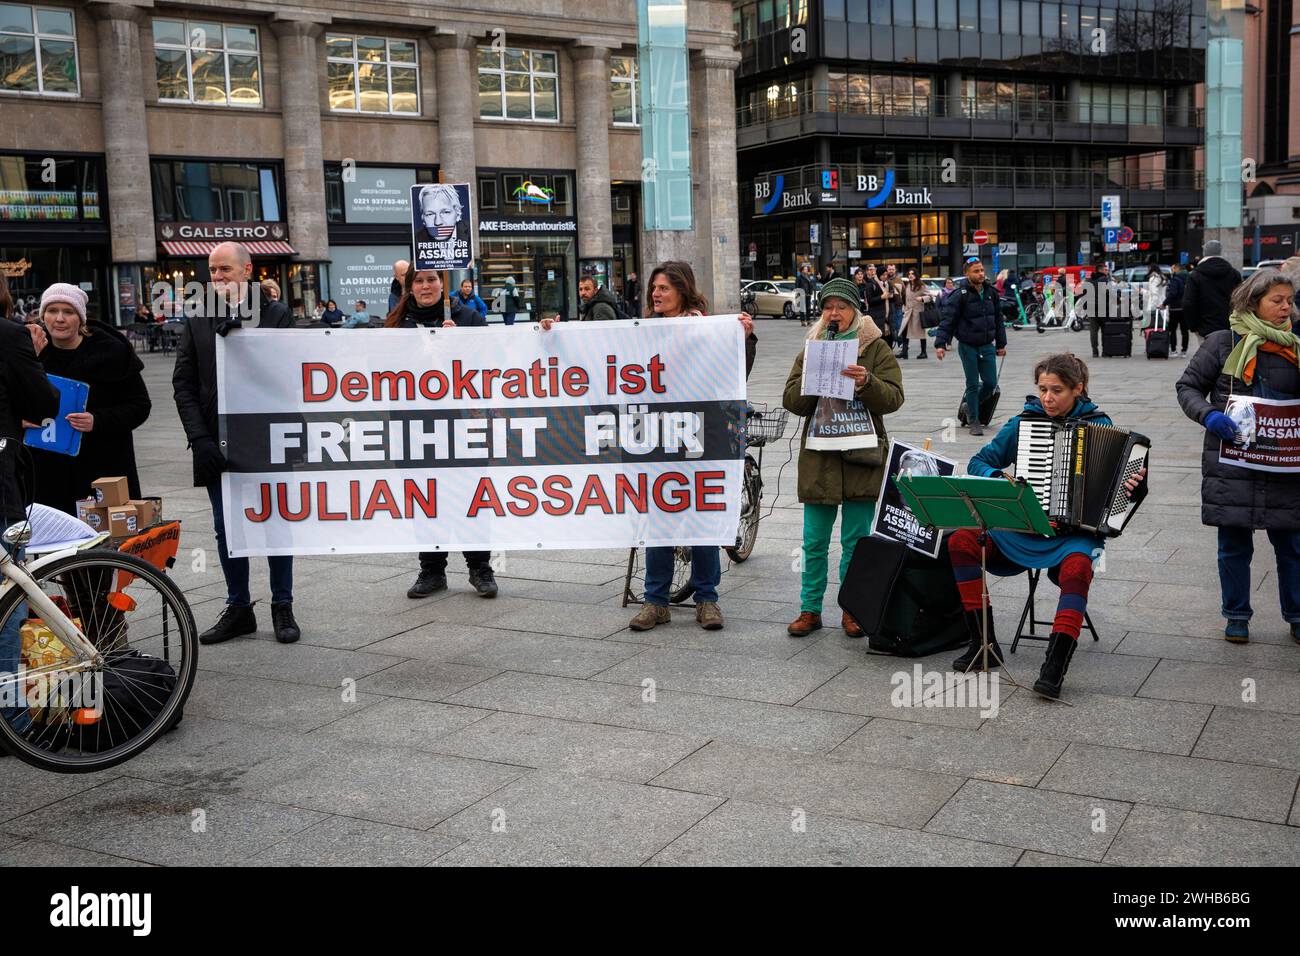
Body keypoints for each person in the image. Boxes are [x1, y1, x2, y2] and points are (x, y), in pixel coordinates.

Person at [543, 262, 755, 631]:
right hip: (654, 436)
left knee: (700, 518)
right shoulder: (642, 331)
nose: (656, 294)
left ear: (683, 291)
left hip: (701, 436)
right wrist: (557, 333)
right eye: (654, 288)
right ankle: (655, 601)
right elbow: (598, 357)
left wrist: (745, 338)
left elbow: (735, 372)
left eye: (664, 288)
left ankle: (707, 599)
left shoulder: (706, 329)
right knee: (657, 517)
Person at [950, 353, 1146, 698]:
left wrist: (1135, 484)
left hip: (1073, 535)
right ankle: (984, 644)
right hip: (1021, 529)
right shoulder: (1024, 423)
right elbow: (979, 461)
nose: (1047, 398)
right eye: (1042, 389)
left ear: (1078, 389)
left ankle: (1055, 664)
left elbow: (1125, 488)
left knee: (1078, 566)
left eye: (1056, 390)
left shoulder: (1100, 424)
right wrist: (998, 478)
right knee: (961, 541)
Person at [173, 241, 300, 646]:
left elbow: (290, 377)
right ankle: (239, 607)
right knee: (226, 527)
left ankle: (283, 604)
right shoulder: (198, 316)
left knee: (276, 521)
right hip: (216, 440)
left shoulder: (277, 314)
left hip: (266, 438)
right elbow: (183, 384)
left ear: (248, 271)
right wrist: (200, 439)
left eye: (225, 269)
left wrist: (247, 339)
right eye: (212, 270)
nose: (217, 277)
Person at [1175, 268, 1300, 644]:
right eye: (1276, 301)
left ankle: (1296, 615)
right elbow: (1188, 387)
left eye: (1289, 301)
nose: (1285, 308)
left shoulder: (1295, 346)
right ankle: (1236, 615)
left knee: (1292, 545)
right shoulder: (1222, 343)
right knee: (1233, 545)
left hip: (1284, 463)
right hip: (1232, 464)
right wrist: (1209, 415)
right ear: (1253, 302)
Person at [781, 277, 904, 637]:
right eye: (828, 307)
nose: (835, 313)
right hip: (820, 455)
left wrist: (867, 383)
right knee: (814, 540)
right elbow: (792, 400)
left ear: (855, 310)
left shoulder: (874, 348)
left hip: (861, 453)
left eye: (842, 306)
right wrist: (811, 382)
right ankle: (809, 609)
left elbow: (894, 397)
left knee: (855, 541)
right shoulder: (813, 346)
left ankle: (852, 609)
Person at [385, 269, 498, 600]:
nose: (425, 286)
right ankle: (432, 570)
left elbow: (494, 362)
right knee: (425, 499)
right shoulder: (397, 323)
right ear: (410, 288)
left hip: (463, 422)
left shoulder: (468, 318)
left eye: (431, 280)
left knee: (470, 496)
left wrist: (459, 345)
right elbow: (381, 369)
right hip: (414, 425)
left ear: (443, 284)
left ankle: (480, 568)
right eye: (418, 281)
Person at [26, 284, 151, 514]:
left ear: (81, 319)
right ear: (43, 316)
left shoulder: (111, 353)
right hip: (49, 476)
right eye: (52, 311)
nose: (60, 318)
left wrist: (98, 420)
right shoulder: (31, 354)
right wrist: (21, 419)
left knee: (106, 546)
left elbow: (140, 406)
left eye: (68, 312)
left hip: (103, 470)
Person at [0, 287, 59, 736]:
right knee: (8, 599)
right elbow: (43, 403)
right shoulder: (10, 335)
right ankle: (12, 721)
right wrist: (32, 354)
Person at [934, 257, 1006, 436]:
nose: (981, 274)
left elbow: (998, 319)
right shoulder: (959, 295)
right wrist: (941, 344)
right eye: (976, 271)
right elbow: (948, 320)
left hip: (987, 345)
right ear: (967, 273)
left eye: (982, 270)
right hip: (968, 346)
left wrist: (1001, 343)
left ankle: (968, 405)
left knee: (990, 383)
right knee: (972, 383)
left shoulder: (991, 292)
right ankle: (974, 420)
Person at [1183, 239, 1242, 341]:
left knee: (1206, 356)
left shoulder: (1195, 275)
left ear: (1204, 252)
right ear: (1220, 252)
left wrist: (1193, 326)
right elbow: (1241, 300)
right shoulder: (1234, 274)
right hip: (1229, 327)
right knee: (1227, 356)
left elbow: (1188, 303)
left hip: (1204, 329)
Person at [1079, 260, 1112, 358]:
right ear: (1101, 270)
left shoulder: (1088, 280)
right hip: (1103, 308)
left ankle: (1095, 351)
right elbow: (1108, 293)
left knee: (1093, 331)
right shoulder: (1104, 280)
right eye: (1106, 270)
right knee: (1105, 330)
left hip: (1091, 308)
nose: (1107, 271)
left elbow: (1084, 294)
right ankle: (1105, 351)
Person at [898, 268, 931, 360]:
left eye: (912, 273)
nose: (910, 275)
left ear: (916, 275)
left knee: (921, 333)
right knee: (904, 331)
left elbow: (930, 296)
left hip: (918, 313)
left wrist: (922, 298)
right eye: (909, 274)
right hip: (908, 312)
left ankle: (924, 352)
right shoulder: (908, 285)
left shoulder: (921, 285)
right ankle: (905, 352)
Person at [1165, 262, 1190, 355]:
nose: (1172, 270)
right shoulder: (1189, 278)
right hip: (1185, 308)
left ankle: (1173, 349)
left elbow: (1172, 293)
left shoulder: (1175, 280)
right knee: (1184, 330)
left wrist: (1164, 303)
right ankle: (1184, 350)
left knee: (1172, 330)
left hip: (1175, 308)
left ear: (1176, 268)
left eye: (1172, 268)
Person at [860, 263, 889, 337]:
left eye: (873, 269)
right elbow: (870, 300)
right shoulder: (868, 283)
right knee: (877, 336)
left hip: (881, 313)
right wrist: (881, 297)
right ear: (866, 271)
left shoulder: (875, 280)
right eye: (870, 270)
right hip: (875, 314)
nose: (872, 271)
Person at [796, 263, 816, 327]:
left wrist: (811, 292)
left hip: (808, 294)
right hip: (802, 294)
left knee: (808, 308)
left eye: (807, 269)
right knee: (802, 309)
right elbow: (797, 286)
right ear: (802, 270)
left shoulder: (809, 277)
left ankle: (808, 320)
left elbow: (811, 285)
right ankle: (803, 321)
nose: (806, 270)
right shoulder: (799, 277)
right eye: (805, 269)